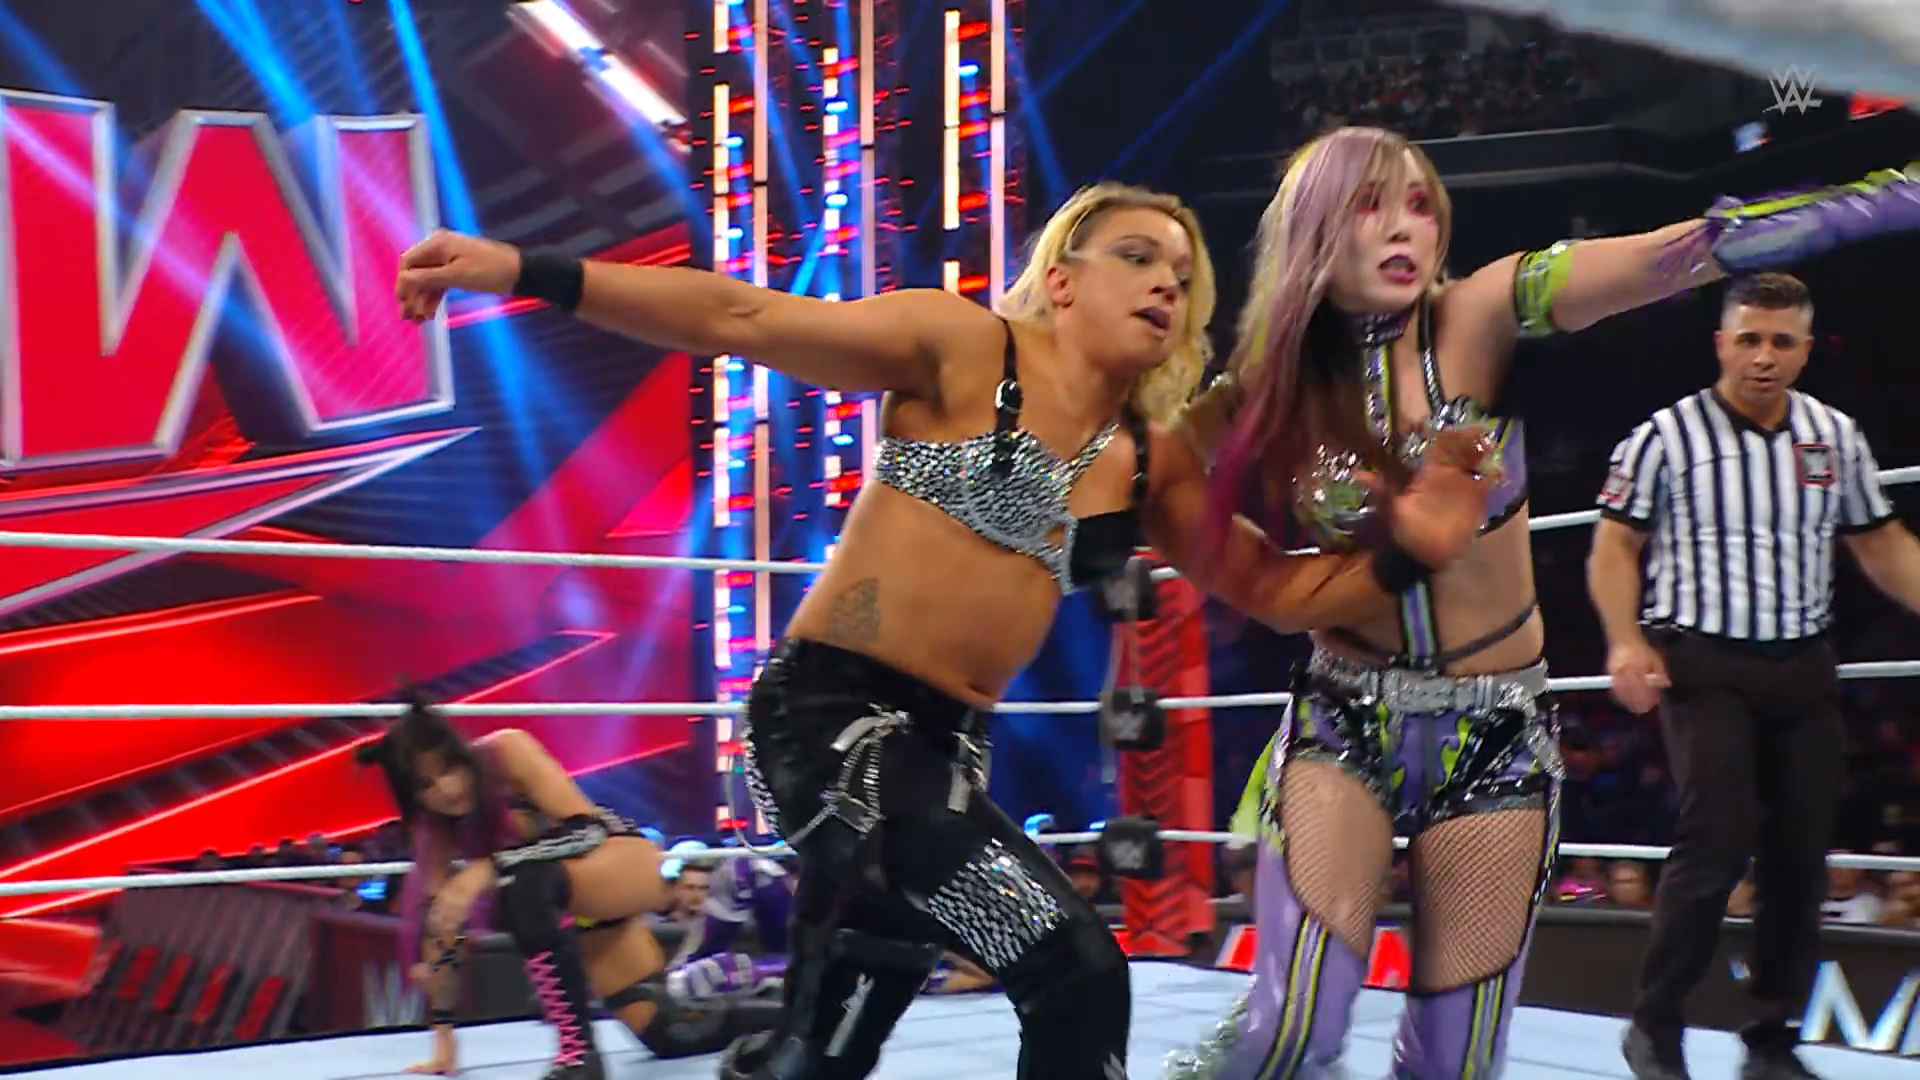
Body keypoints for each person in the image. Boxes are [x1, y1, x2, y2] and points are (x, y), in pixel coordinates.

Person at [394, 180, 1501, 1080]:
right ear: (1062, 279)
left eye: (1181, 272)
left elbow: (1271, 588)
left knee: (818, 1056)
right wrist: (522, 269)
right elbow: (739, 317)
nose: (1166, 281)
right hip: (829, 725)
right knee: (1074, 966)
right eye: (1136, 256)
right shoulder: (965, 348)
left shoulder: (1148, 462)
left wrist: (1415, 547)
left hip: (944, 758)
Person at [1164, 130, 1920, 1080]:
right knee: (1289, 1028)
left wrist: (1884, 201)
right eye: (1370, 205)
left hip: (1496, 729)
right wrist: (1263, 580)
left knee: (1455, 1063)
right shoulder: (1267, 386)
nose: (1405, 229)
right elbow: (1145, 476)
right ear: (1313, 228)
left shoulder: (1481, 312)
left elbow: (1686, 251)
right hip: (1343, 715)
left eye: (1421, 205)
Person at [1589, 272, 1920, 1080]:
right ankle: (1654, 1025)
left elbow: (1881, 543)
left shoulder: (1834, 436)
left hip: (1802, 663)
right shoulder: (1665, 436)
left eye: (1779, 341)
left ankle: (1771, 1039)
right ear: (1721, 344)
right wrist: (1625, 641)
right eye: (1748, 339)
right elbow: (1614, 546)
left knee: (1801, 855)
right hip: (1702, 660)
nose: (1763, 356)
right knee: (1717, 835)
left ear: (1805, 350)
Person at [356, 699, 781, 1080]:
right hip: (579, 912)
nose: (446, 788)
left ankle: (578, 1057)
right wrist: (444, 1040)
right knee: (672, 1033)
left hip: (619, 861)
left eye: (447, 768)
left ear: (460, 751)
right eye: (426, 785)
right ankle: (796, 1018)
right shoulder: (436, 833)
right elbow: (441, 937)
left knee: (521, 883)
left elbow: (586, 830)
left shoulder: (506, 753)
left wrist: (490, 867)